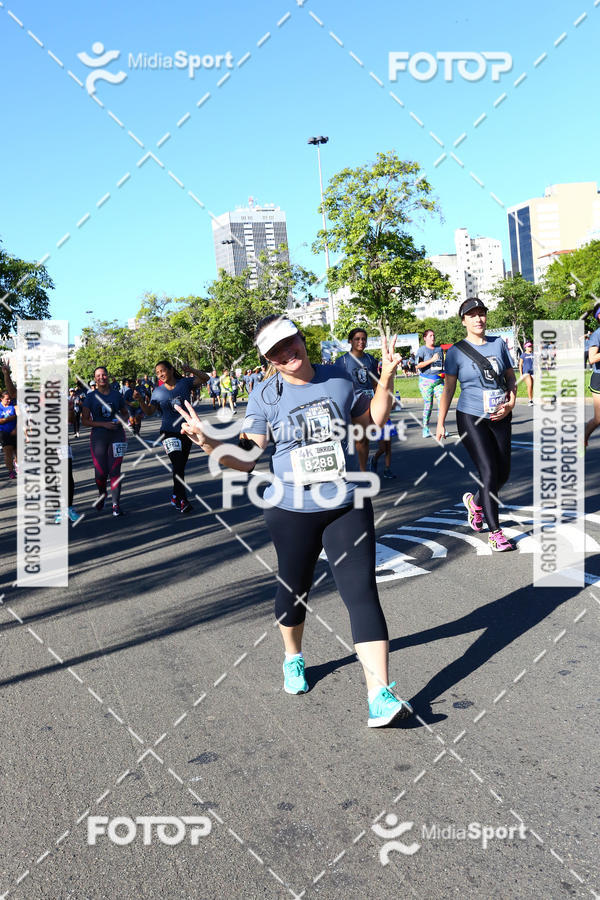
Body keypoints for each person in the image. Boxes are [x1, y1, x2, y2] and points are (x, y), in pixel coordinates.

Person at [175, 314, 413, 728]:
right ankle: (293, 656)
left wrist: (386, 379)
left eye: (290, 343)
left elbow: (370, 423)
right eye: (275, 352)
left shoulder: (338, 377)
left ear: (303, 338)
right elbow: (247, 458)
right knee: (294, 592)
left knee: (361, 594)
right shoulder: (265, 394)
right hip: (290, 511)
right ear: (268, 359)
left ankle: (379, 694)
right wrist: (210, 442)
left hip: (346, 502)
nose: (288, 354)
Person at [436, 298, 517, 552]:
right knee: (489, 471)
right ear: (464, 321)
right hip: (471, 416)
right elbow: (449, 389)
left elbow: (510, 378)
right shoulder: (457, 352)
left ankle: (475, 503)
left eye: (481, 314)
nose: (478, 319)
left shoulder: (498, 344)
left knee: (502, 474)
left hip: (500, 415)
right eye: (472, 315)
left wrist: (511, 403)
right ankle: (495, 532)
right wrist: (440, 422)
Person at [135, 360, 208, 513]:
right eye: (157, 373)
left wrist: (191, 369)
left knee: (180, 466)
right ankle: (183, 500)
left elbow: (205, 378)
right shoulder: (157, 391)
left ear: (171, 369)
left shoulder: (184, 383)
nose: (160, 374)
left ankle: (176, 495)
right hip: (168, 432)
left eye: (162, 370)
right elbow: (149, 412)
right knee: (177, 464)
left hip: (186, 431)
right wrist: (141, 400)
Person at [81, 366, 130, 516]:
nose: (102, 377)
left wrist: (120, 421)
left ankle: (116, 504)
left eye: (104, 375)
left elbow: (125, 414)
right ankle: (102, 493)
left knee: (115, 470)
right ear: (95, 379)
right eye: (98, 375)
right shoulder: (90, 397)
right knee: (101, 473)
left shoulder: (116, 395)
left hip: (117, 435)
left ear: (107, 376)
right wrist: (103, 424)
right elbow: (84, 420)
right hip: (98, 437)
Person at [335, 328, 379, 471]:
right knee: (350, 439)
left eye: (363, 339)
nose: (361, 342)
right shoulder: (342, 361)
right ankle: (351, 470)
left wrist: (379, 400)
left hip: (367, 403)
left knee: (363, 439)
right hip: (349, 404)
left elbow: (375, 383)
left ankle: (363, 471)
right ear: (350, 341)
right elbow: (337, 384)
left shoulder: (370, 360)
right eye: (357, 339)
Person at [415, 329, 447, 438]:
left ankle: (441, 427)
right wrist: (431, 360)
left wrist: (444, 373)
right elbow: (417, 365)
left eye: (433, 335)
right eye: (430, 336)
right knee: (428, 405)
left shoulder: (439, 349)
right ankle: (425, 428)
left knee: (442, 404)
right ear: (425, 338)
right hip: (426, 381)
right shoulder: (422, 350)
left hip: (439, 381)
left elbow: (441, 364)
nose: (433, 337)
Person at [585, 303, 600, 448]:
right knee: (598, 419)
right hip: (599, 379)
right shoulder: (596, 335)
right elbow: (592, 358)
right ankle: (583, 438)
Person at [0, 390, 17, 478]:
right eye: (7, 399)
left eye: (9, 399)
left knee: (18, 453)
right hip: (4, 433)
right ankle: (11, 471)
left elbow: (19, 417)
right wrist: (10, 418)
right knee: (8, 453)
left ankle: (16, 464)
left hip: (15, 431)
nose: (9, 401)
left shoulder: (13, 406)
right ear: (1, 399)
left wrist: (16, 429)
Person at [519, 341, 534, 407]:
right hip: (526, 372)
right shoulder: (523, 355)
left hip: (533, 372)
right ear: (525, 348)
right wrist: (521, 374)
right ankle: (530, 401)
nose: (530, 348)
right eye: (529, 346)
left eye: (531, 346)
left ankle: (531, 398)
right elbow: (520, 365)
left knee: (532, 387)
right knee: (529, 385)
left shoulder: (533, 354)